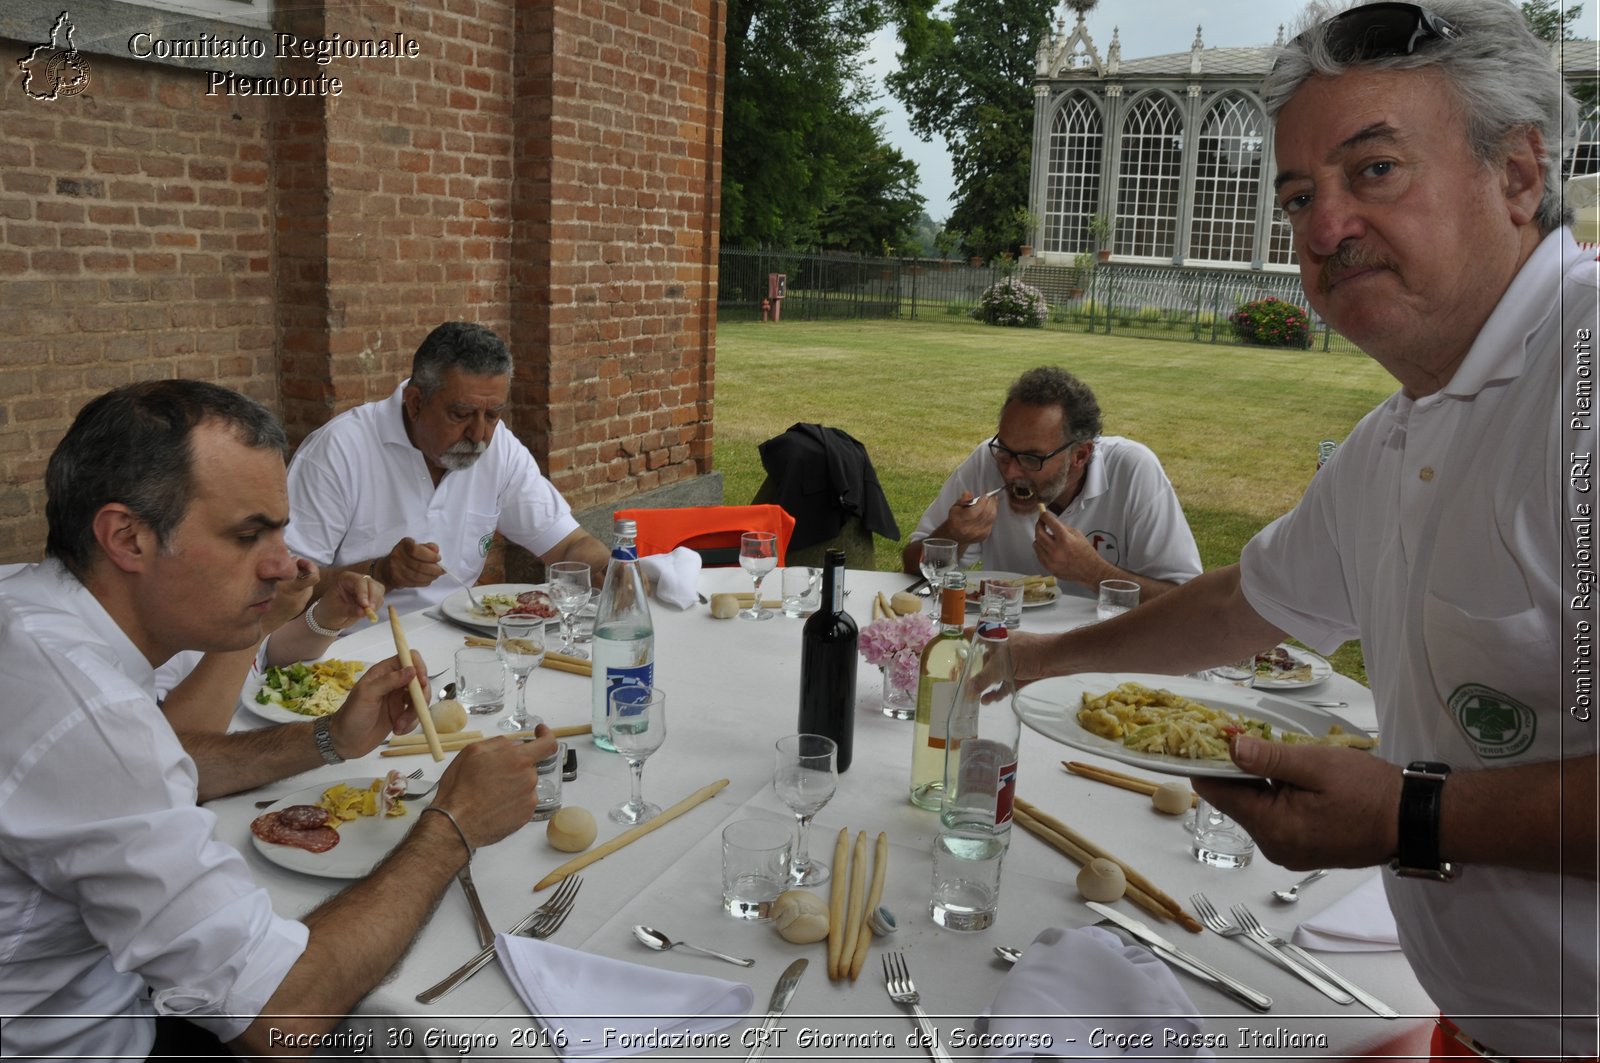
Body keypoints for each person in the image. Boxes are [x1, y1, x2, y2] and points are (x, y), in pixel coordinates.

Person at [1005, 1, 1598, 1057]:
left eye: (1374, 170)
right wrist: (1047, 655)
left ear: (1517, 174)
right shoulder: (1400, 432)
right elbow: (1248, 602)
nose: (1322, 229)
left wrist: (1409, 816)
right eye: (1296, 193)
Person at [0, 380, 554, 1058]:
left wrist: (329, 738)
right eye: (247, 534)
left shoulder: (29, 611)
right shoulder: (88, 708)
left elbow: (161, 766)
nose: (288, 564)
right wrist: (453, 826)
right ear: (127, 536)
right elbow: (278, 1014)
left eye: (282, 529)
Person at [285, 321, 610, 625]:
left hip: (461, 641)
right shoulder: (339, 450)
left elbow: (569, 545)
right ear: (415, 403)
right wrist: (380, 572)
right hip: (349, 648)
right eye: (461, 414)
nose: (479, 434)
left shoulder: (499, 450)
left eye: (493, 415)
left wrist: (608, 570)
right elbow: (286, 588)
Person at [902, 366, 1202, 600]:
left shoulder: (1132, 470)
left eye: (1032, 458)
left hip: (1106, 647)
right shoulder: (987, 460)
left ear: (1080, 454)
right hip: (1010, 634)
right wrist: (953, 536)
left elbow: (1186, 601)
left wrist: (1094, 572)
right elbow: (912, 565)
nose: (1010, 472)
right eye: (1005, 451)